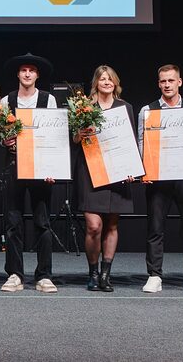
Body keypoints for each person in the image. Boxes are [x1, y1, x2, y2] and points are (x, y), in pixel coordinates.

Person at [136, 64, 183, 294]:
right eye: (163, 81)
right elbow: (142, 143)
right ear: (158, 84)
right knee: (155, 228)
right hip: (158, 176)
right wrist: (145, 170)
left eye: (171, 80)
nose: (167, 85)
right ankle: (154, 275)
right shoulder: (147, 110)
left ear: (180, 82)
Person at [0, 52, 63, 294]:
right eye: (23, 70)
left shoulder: (48, 99)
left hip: (41, 167)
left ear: (37, 75)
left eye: (31, 70)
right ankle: (15, 274)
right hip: (14, 165)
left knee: (42, 223)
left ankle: (44, 276)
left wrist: (53, 168)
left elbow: (55, 135)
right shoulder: (6, 100)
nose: (27, 74)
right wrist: (3, 139)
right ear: (18, 74)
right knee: (13, 222)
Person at [72, 65, 136, 292]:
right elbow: (73, 139)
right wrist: (79, 135)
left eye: (110, 79)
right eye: (102, 79)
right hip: (91, 170)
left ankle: (105, 275)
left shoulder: (125, 107)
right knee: (93, 226)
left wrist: (132, 168)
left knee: (111, 224)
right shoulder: (85, 107)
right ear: (96, 83)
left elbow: (130, 140)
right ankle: (93, 272)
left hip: (118, 171)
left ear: (115, 83)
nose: (106, 82)